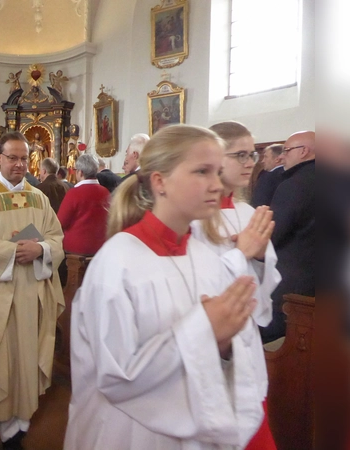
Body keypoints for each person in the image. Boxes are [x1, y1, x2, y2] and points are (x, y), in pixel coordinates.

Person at [65, 125, 270, 449]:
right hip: (128, 433)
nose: (217, 185)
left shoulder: (205, 257)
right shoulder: (117, 264)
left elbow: (226, 357)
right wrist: (205, 329)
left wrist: (225, 343)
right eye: (202, 172)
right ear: (160, 181)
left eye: (218, 172)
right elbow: (117, 378)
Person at [0, 131, 65, 450]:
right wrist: (13, 251)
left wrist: (42, 250)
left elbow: (57, 238)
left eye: (24, 158)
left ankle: (23, 420)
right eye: (13, 157)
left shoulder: (39, 197)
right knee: (2, 356)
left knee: (29, 354)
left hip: (33, 291)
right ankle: (6, 422)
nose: (19, 164)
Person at [191, 121, 281, 448]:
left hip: (246, 337)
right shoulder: (193, 216)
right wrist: (240, 253)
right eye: (240, 154)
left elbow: (265, 281)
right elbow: (194, 285)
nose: (249, 163)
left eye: (253, 154)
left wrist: (256, 257)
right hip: (209, 340)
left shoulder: (247, 211)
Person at [261, 131, 316, 342]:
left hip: (291, 289)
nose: (282, 157)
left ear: (303, 152)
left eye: (286, 150)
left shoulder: (294, 185)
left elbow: (272, 235)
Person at [57, 154, 109, 256]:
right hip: (101, 249)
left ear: (80, 172)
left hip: (76, 250)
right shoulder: (105, 192)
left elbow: (60, 223)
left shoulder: (74, 193)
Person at [250, 143, 285, 208]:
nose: (263, 161)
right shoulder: (294, 175)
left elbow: (259, 203)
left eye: (266, 157)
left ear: (277, 159)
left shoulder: (267, 178)